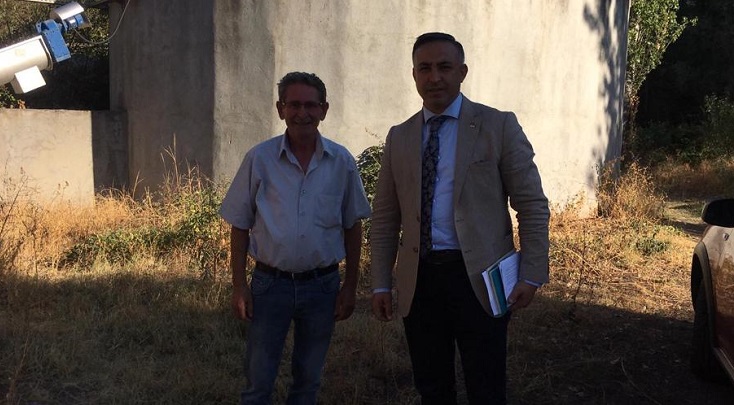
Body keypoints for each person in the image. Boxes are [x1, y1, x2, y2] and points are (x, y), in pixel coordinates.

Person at [370, 32, 550, 404]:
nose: (434, 77)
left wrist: (532, 273)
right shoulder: (399, 136)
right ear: (414, 75)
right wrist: (380, 284)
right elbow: (386, 217)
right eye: (425, 68)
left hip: (480, 279)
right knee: (432, 387)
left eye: (444, 67)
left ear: (462, 72)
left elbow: (532, 204)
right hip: (420, 280)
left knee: (486, 387)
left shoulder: (497, 126)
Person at [219, 71, 371, 404]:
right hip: (269, 285)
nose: (303, 113)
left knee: (308, 380)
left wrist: (350, 287)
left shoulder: (341, 162)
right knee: (259, 380)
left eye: (311, 105)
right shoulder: (260, 159)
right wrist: (239, 286)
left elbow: (352, 226)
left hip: (322, 287)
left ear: (324, 110)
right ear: (280, 109)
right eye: (294, 105)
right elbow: (240, 224)